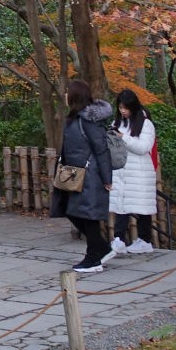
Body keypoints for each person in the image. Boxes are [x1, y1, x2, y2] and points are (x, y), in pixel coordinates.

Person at [50, 78, 114, 273]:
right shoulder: (74, 119)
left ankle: (93, 257)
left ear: (75, 96)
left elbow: (101, 149)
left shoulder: (89, 120)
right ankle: (101, 248)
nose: (65, 95)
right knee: (72, 211)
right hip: (74, 174)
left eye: (68, 92)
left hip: (90, 175)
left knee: (87, 216)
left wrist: (107, 179)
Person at [108, 88, 159, 257]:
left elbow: (143, 147)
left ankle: (145, 240)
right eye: (120, 107)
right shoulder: (118, 123)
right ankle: (119, 238)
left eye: (125, 108)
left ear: (133, 106)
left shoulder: (146, 124)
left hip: (139, 171)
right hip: (121, 169)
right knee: (121, 204)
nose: (122, 111)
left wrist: (122, 137)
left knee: (141, 206)